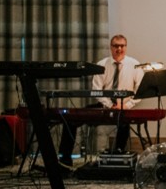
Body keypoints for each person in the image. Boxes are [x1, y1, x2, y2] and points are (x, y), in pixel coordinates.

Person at [58, 33, 144, 165]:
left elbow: (140, 91)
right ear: (111, 47)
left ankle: (118, 157)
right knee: (70, 119)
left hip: (125, 107)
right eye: (116, 46)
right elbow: (96, 90)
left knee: (124, 123)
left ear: (126, 47)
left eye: (122, 46)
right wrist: (110, 105)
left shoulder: (135, 65)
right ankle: (64, 160)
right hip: (104, 106)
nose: (119, 49)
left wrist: (126, 105)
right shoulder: (101, 65)